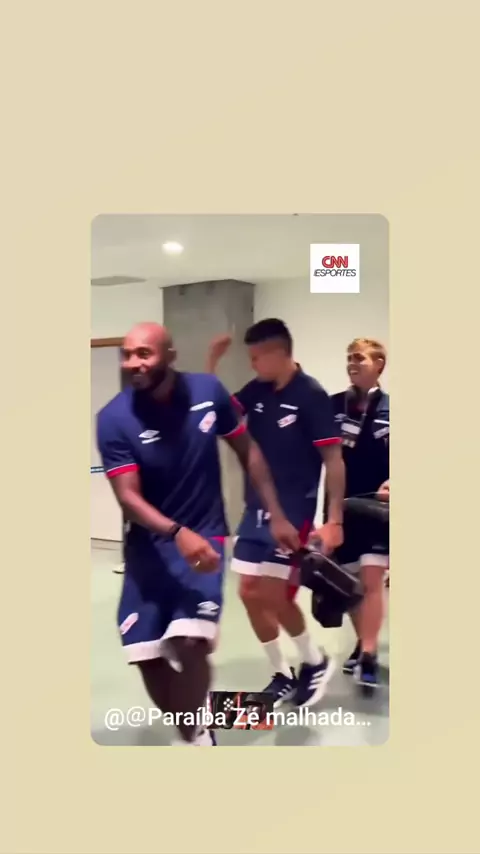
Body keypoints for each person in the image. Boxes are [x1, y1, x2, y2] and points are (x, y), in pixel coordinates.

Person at [96, 322, 300, 747]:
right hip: (149, 548)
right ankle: (196, 725)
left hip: (207, 537)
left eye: (144, 353)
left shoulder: (208, 391)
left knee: (191, 642)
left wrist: (277, 515)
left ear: (169, 356)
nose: (133, 362)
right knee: (147, 654)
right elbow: (128, 497)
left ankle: (194, 741)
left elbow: (248, 450)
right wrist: (176, 532)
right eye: (128, 354)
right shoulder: (113, 418)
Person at [206, 319, 346, 708]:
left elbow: (334, 460)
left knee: (273, 594)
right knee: (248, 593)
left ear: (279, 353)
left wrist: (334, 520)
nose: (252, 365)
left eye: (256, 358)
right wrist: (211, 363)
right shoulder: (258, 390)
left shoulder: (311, 395)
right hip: (256, 509)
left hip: (294, 512)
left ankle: (315, 661)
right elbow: (217, 412)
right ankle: (282, 673)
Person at [310, 337, 389, 689]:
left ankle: (369, 654)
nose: (352, 364)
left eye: (360, 358)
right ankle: (363, 642)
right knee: (353, 584)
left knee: (372, 579)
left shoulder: (393, 409)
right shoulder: (332, 407)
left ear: (379, 364)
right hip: (340, 509)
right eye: (349, 358)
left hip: (378, 508)